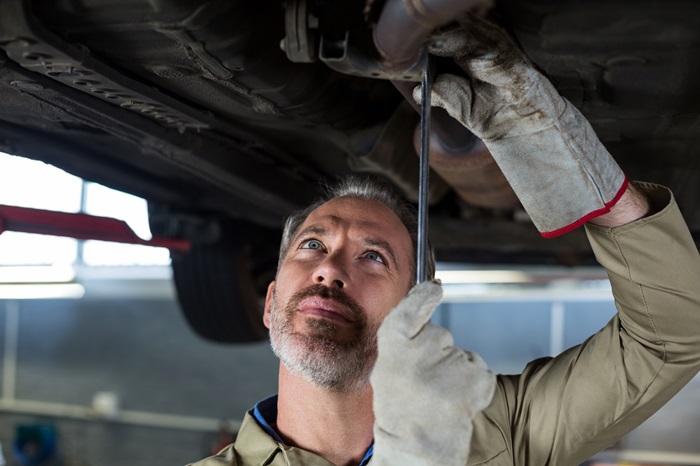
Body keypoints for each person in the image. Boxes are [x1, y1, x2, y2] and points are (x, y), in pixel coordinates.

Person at [189, 13, 700, 466]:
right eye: (313, 246)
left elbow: (671, 339)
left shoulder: (503, 431)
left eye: (372, 256)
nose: (329, 269)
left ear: (417, 312)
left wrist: (573, 168)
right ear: (271, 299)